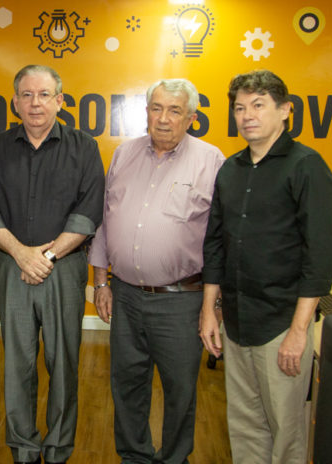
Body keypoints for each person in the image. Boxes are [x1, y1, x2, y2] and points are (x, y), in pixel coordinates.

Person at [200, 70, 332, 464]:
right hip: (238, 322)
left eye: (258, 105)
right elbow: (215, 245)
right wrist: (210, 311)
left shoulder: (307, 166)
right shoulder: (230, 168)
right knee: (244, 425)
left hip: (282, 326)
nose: (247, 116)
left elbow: (319, 258)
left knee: (287, 431)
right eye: (240, 108)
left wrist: (298, 332)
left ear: (285, 111)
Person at [89, 79, 225, 464]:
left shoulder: (211, 161)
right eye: (156, 108)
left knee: (180, 390)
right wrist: (101, 280)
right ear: (146, 111)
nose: (163, 119)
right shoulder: (123, 154)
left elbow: (221, 238)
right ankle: (134, 456)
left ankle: (174, 459)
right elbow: (106, 220)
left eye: (174, 110)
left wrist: (213, 305)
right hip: (126, 296)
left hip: (182, 301)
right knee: (127, 386)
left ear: (192, 118)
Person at [0, 64, 105, 464]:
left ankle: (58, 448)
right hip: (12, 267)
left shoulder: (84, 147)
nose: (35, 103)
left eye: (44, 94)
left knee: (63, 363)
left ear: (60, 101)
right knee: (17, 363)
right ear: (15, 102)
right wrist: (21, 253)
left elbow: (88, 211)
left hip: (63, 269)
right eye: (27, 95)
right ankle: (25, 448)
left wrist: (45, 256)